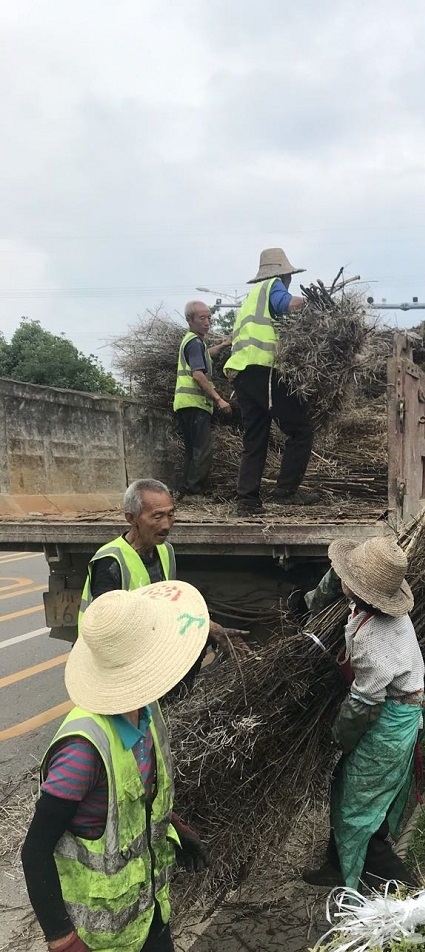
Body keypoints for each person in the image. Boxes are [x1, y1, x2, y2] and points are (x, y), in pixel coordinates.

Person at [21, 580, 212, 952]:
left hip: (149, 917)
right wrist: (62, 940)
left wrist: (175, 826)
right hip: (101, 940)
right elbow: (35, 849)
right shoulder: (82, 752)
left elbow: (138, 802)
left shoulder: (147, 714)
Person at [301, 536, 425, 890]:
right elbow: (332, 585)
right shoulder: (375, 609)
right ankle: (336, 863)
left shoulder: (373, 637)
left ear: (357, 589)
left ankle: (414, 893)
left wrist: (340, 738)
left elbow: (363, 703)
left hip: (388, 723)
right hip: (395, 712)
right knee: (346, 788)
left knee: (362, 816)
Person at [78, 479, 243, 680]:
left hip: (148, 645)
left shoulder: (166, 551)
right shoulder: (111, 562)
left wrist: (210, 627)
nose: (166, 525)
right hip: (118, 658)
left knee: (196, 645)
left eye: (170, 515)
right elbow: (107, 630)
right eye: (157, 517)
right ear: (132, 518)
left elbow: (169, 605)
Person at [223, 247, 319, 515]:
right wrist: (312, 305)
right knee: (300, 430)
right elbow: (288, 304)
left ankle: (247, 501)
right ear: (284, 274)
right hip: (263, 370)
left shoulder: (250, 299)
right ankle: (286, 491)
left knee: (255, 437)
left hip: (241, 373)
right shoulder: (273, 287)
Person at [173, 300, 232, 500]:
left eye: (209, 318)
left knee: (192, 449)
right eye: (202, 318)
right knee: (202, 449)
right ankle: (193, 491)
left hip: (184, 404)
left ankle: (187, 490)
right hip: (194, 403)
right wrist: (219, 399)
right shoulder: (195, 343)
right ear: (189, 320)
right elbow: (198, 375)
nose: (207, 322)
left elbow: (206, 354)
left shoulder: (193, 342)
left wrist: (223, 344)